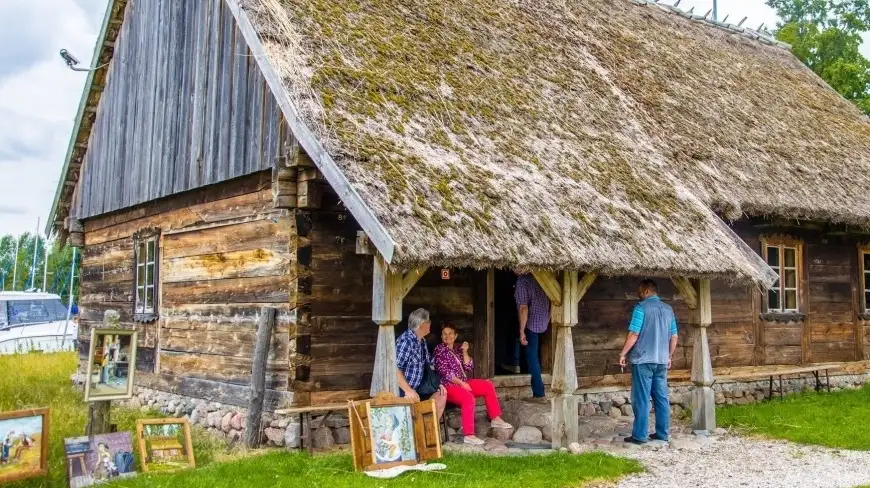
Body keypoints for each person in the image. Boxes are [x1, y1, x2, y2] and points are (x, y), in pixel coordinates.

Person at [618, 279, 679, 444]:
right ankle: (662, 434)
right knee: (661, 398)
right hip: (661, 360)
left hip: (643, 359)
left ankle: (640, 435)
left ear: (645, 291)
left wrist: (623, 353)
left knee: (642, 398)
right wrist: (669, 356)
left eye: (640, 292)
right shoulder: (668, 310)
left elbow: (634, 334)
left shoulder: (641, 308)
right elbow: (674, 336)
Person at [433, 322, 512, 444]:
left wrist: (465, 352)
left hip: (462, 383)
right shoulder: (439, 350)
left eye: (450, 334)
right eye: (444, 334)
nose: (447, 336)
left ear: (456, 335)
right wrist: (462, 384)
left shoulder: (458, 348)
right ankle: (469, 435)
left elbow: (469, 366)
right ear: (441, 336)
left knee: (487, 385)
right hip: (449, 386)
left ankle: (495, 418)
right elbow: (445, 373)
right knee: (468, 398)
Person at [395, 308, 447, 419]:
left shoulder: (421, 341)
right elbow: (395, 370)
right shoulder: (406, 341)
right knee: (413, 401)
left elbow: (430, 364)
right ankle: (418, 434)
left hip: (420, 388)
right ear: (423, 324)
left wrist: (439, 383)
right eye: (429, 322)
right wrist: (408, 391)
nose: (430, 324)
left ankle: (430, 433)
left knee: (441, 395)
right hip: (402, 390)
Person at [514, 273, 550, 402]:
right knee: (534, 355)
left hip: (531, 324)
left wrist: (522, 330)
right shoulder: (541, 277)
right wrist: (548, 318)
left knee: (532, 357)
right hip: (544, 322)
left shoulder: (523, 281)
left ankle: (539, 394)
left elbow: (523, 308)